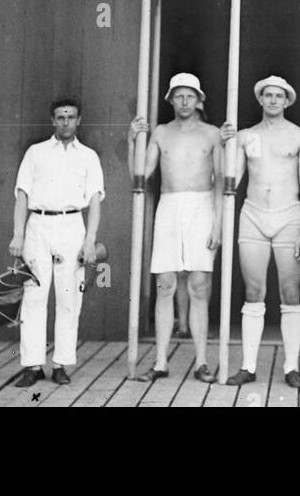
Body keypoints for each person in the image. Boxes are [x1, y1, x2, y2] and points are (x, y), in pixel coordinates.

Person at [128, 73, 223, 383]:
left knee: (198, 285)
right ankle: (159, 362)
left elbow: (222, 182)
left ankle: (201, 362)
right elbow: (141, 174)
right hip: (169, 206)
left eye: (190, 96)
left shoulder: (212, 134)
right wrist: (132, 142)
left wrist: (218, 224)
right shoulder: (161, 132)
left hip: (202, 205)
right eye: (178, 97)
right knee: (165, 284)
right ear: (170, 100)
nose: (184, 102)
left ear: (199, 100)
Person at [221, 75, 300, 388]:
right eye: (268, 95)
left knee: (290, 292)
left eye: (279, 96)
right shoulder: (246, 136)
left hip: (289, 215)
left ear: (287, 101)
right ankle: (248, 366)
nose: (273, 100)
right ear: (260, 99)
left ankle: (290, 366)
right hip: (254, 215)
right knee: (253, 290)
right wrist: (226, 145)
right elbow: (229, 179)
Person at [9, 98, 104, 388]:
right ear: (53, 121)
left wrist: (90, 241)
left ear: (79, 120)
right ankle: (33, 365)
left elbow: (94, 201)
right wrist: (18, 234)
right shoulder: (35, 153)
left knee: (68, 298)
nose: (65, 122)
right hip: (38, 225)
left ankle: (61, 363)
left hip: (72, 225)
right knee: (34, 296)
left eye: (71, 117)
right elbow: (23, 194)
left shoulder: (88, 156)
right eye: (60, 117)